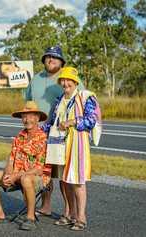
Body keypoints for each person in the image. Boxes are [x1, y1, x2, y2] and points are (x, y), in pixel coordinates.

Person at [25, 45, 83, 219]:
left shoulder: (68, 79)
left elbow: (81, 103)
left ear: (61, 61)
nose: (51, 60)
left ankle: (70, 211)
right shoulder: (35, 79)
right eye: (48, 57)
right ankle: (46, 206)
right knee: (45, 172)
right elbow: (28, 103)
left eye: (55, 58)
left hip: (63, 135)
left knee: (65, 176)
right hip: (40, 133)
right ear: (44, 60)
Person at [41, 66, 101, 231]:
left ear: (75, 82)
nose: (66, 83)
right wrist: (37, 133)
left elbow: (91, 121)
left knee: (77, 180)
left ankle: (81, 216)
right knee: (64, 180)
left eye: (69, 80)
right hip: (59, 145)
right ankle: (69, 213)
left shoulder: (85, 97)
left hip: (77, 144)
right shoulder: (60, 99)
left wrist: (72, 122)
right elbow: (51, 123)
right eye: (63, 80)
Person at [0, 101, 51, 231]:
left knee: (25, 179)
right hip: (16, 175)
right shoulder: (19, 136)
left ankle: (30, 218)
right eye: (24, 116)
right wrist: (8, 174)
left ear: (37, 118)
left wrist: (16, 176)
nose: (26, 119)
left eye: (30, 116)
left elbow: (39, 169)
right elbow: (11, 159)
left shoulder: (43, 138)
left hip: (36, 178)